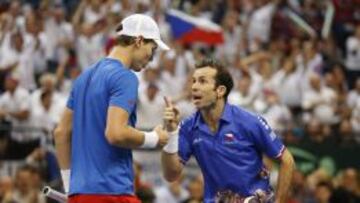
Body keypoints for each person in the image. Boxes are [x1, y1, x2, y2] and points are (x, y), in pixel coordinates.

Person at [53, 14, 170, 203]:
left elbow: (61, 133)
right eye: (152, 49)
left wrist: (69, 186)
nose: (151, 59)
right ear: (139, 41)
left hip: (79, 195)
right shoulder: (125, 77)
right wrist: (155, 138)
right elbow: (115, 133)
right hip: (111, 193)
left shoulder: (84, 77)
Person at [161, 58, 295, 203]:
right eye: (193, 81)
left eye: (202, 81)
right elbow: (171, 175)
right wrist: (171, 133)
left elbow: (287, 160)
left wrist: (279, 201)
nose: (194, 86)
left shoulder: (249, 121)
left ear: (220, 91)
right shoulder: (188, 127)